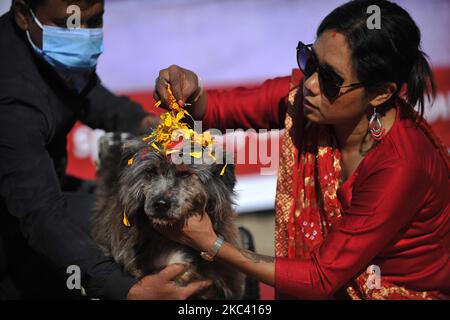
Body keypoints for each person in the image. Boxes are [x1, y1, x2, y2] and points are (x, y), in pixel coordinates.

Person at [154, 0, 450, 299]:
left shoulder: (401, 166)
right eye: (310, 61)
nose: (310, 84)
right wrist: (188, 88)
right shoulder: (307, 103)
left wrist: (212, 244)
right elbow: (213, 109)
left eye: (331, 79)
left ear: (381, 93)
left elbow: (319, 278)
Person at [0, 0, 211, 299]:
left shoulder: (50, 51)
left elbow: (87, 95)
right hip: (16, 225)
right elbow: (39, 213)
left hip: (40, 195)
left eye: (95, 20)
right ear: (23, 14)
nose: (83, 34)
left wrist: (152, 125)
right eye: (68, 24)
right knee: (126, 221)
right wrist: (129, 291)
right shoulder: (12, 99)